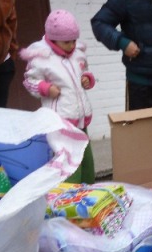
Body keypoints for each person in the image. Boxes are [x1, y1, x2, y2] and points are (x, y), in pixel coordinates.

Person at [20, 10, 96, 184]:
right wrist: (45, 88)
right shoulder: (41, 57)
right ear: (53, 40)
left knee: (85, 157)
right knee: (68, 161)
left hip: (80, 117)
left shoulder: (78, 53)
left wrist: (87, 78)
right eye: (67, 42)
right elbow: (30, 81)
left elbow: (84, 71)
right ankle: (69, 193)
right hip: (61, 120)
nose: (72, 46)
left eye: (74, 41)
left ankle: (89, 188)